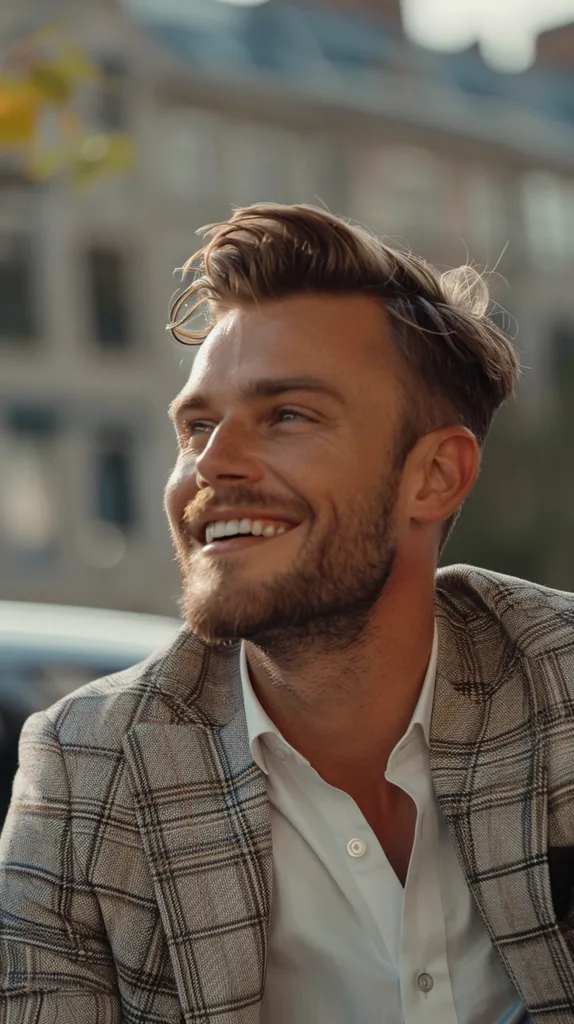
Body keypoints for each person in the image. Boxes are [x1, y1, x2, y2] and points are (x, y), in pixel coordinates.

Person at [1, 204, 573, 1024]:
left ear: (436, 476)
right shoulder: (87, 770)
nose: (212, 466)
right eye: (196, 427)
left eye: (288, 416)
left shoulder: (561, 684)